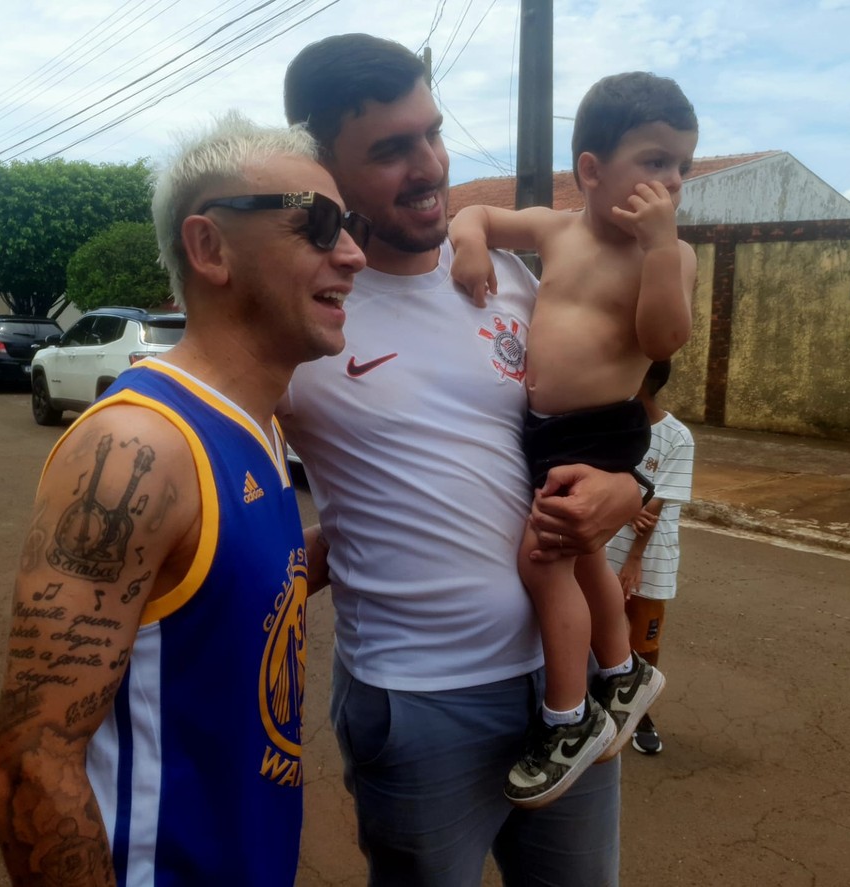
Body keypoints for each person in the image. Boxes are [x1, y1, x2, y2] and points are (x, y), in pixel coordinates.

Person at [281, 34, 643, 887]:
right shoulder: (306, 320)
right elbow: (230, 484)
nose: (430, 165)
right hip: (419, 702)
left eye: (432, 133)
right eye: (391, 149)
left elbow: (615, 414)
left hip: (569, 686)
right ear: (323, 167)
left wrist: (628, 487)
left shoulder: (512, 276)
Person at [0, 111, 368, 886]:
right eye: (319, 224)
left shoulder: (258, 425)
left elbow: (208, 605)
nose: (354, 254)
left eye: (350, 224)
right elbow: (29, 765)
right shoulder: (138, 450)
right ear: (210, 247)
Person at [449, 70, 698, 805]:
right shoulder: (560, 228)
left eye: (681, 165)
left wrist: (659, 248)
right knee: (581, 550)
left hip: (603, 428)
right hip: (546, 429)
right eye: (654, 161)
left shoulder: (670, 255)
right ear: (590, 171)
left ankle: (568, 715)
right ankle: (623, 673)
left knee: (542, 561)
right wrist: (467, 244)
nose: (672, 181)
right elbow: (482, 219)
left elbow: (662, 338)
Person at [605, 359, 695, 755]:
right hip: (604, 545)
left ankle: (640, 713)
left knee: (645, 639)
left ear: (642, 381)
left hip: (651, 556)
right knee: (599, 626)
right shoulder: (612, 423)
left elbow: (655, 507)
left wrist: (635, 559)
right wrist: (624, 507)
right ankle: (598, 704)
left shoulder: (677, 436)